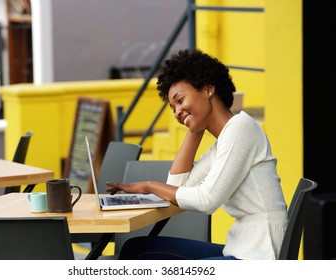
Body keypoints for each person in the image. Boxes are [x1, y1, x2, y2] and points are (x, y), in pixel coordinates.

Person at [105, 49, 288, 260]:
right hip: (243, 250)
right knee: (137, 249)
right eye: (173, 108)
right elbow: (179, 186)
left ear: (208, 89)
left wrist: (148, 186)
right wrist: (195, 128)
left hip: (260, 256)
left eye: (180, 101)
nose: (176, 113)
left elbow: (207, 200)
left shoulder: (241, 129)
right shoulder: (224, 140)